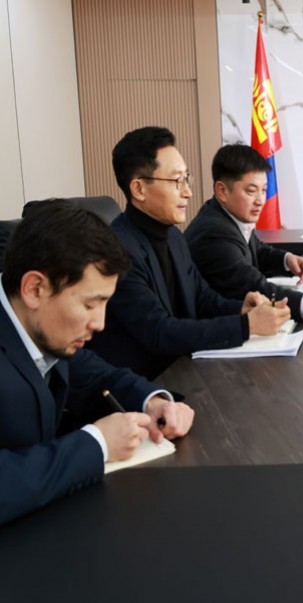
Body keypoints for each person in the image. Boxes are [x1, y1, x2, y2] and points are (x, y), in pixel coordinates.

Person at [0, 200, 194, 525]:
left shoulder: (44, 326)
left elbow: (95, 375)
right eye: (90, 305)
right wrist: (97, 444)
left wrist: (154, 402)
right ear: (35, 288)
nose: (100, 323)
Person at [89, 126, 292, 379]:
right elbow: (159, 332)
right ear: (139, 189)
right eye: (177, 181)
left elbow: (202, 298)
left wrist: (242, 309)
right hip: (146, 383)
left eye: (187, 179)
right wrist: (246, 325)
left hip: (183, 368)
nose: (188, 192)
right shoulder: (116, 250)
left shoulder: (173, 236)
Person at [184, 144, 303, 325]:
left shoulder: (226, 216)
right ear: (222, 191)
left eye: (263, 190)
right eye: (251, 191)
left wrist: (286, 259)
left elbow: (256, 250)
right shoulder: (213, 233)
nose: (260, 200)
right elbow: (254, 287)